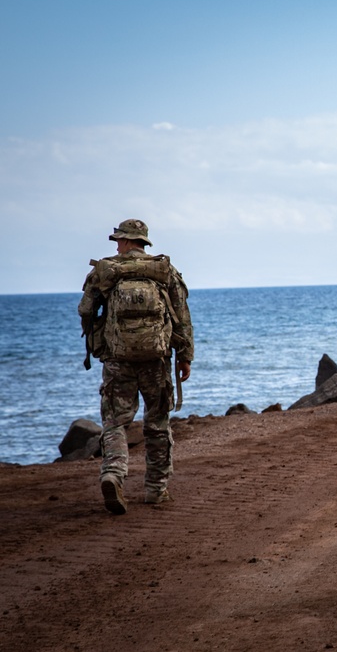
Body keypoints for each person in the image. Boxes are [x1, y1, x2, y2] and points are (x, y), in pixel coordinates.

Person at [78, 219, 194, 514]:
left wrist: (99, 346)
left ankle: (113, 475)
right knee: (157, 423)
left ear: (128, 241)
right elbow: (181, 315)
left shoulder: (106, 271)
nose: (116, 245)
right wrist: (185, 355)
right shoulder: (163, 270)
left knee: (116, 422)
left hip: (118, 360)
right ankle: (156, 490)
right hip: (156, 360)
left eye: (118, 240)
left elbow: (86, 311)